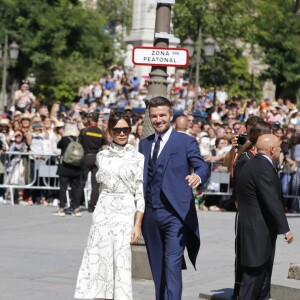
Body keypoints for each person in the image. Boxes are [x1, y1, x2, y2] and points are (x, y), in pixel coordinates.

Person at [138, 96, 210, 300]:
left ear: (170, 116)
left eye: (162, 115)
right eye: (154, 116)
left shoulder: (185, 141)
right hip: (150, 214)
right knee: (157, 267)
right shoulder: (144, 144)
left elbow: (202, 165)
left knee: (172, 265)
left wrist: (198, 175)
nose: (158, 119)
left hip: (175, 215)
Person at [75, 109, 145, 300]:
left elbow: (140, 192)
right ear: (109, 132)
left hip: (125, 211)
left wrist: (137, 225)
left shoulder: (138, 158)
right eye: (117, 130)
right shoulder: (101, 156)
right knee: (99, 259)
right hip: (103, 212)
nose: (122, 133)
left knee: (120, 261)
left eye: (126, 129)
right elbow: (102, 186)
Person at [237, 134, 294, 300]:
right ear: (271, 149)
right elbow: (272, 201)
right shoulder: (263, 167)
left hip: (254, 228)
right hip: (258, 230)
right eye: (278, 148)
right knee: (254, 278)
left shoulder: (250, 164)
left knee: (262, 279)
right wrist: (286, 229)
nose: (279, 151)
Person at [231, 120, 272, 300]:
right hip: (248, 213)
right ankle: (239, 292)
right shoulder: (246, 159)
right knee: (244, 256)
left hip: (259, 215)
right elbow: (239, 185)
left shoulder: (258, 158)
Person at [78, 112, 106, 212]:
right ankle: (92, 206)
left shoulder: (84, 130)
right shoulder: (101, 132)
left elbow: (79, 143)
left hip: (86, 157)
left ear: (90, 119)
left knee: (81, 181)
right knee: (95, 184)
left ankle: (76, 204)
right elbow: (104, 145)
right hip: (96, 158)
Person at [53, 123, 82, 217]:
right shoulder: (79, 139)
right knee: (76, 189)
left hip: (64, 167)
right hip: (76, 167)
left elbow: (58, 146)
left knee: (63, 188)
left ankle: (61, 208)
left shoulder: (64, 139)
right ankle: (76, 209)